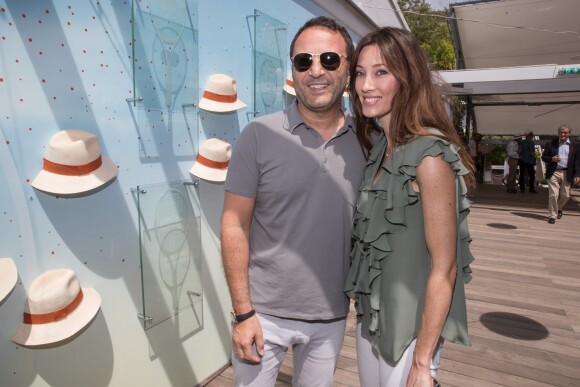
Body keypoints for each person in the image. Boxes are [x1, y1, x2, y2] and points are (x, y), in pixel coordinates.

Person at [221, 16, 366, 386]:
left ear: (348, 70)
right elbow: (234, 224)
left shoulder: (369, 143)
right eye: (304, 61)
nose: (316, 70)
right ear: (294, 70)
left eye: (330, 60)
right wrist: (242, 313)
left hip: (332, 314)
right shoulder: (257, 135)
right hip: (262, 315)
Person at [344, 27, 475, 387]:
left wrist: (423, 363)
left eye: (381, 72)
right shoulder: (377, 150)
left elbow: (445, 269)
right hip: (372, 322)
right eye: (360, 73)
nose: (366, 85)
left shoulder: (429, 156)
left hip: (411, 335)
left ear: (407, 78)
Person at [541, 125, 580, 224]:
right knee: (553, 194)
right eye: (561, 132)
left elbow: (577, 162)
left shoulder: (575, 145)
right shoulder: (551, 143)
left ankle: (559, 208)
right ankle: (552, 215)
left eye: (565, 132)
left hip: (568, 172)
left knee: (566, 195)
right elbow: (544, 157)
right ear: (558, 133)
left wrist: (577, 175)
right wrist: (552, 159)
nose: (563, 134)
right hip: (554, 172)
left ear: (569, 134)